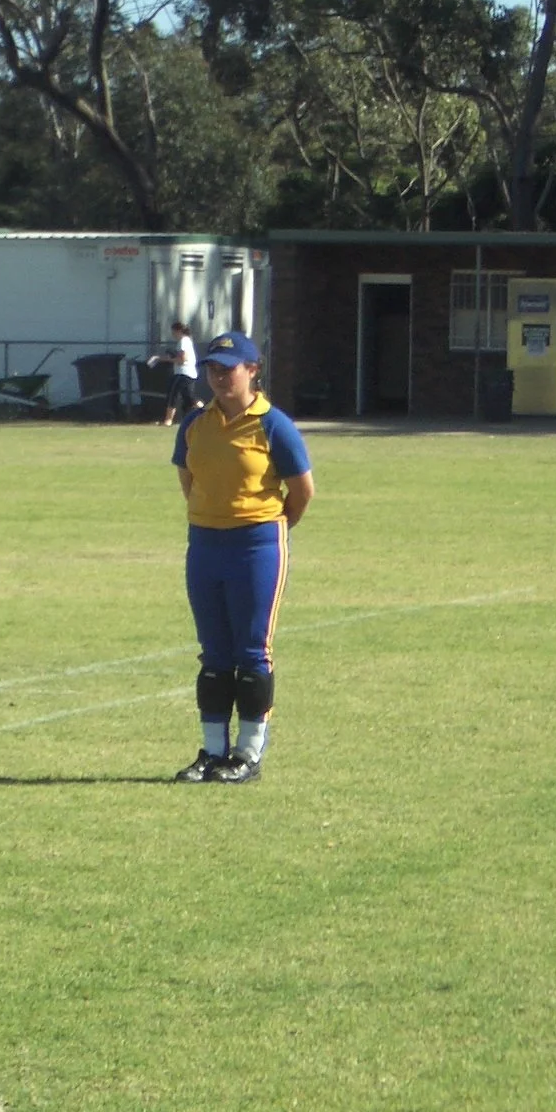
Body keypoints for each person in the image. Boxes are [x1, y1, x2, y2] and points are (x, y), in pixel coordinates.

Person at [170, 330, 315, 785]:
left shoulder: (274, 425)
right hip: (206, 543)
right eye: (212, 369)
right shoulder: (195, 423)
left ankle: (247, 755)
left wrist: (269, 526)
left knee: (252, 651)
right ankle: (214, 752)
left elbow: (303, 490)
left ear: (252, 371)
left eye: (228, 369)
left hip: (257, 545)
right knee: (214, 653)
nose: (218, 377)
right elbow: (187, 476)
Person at [147, 321, 200, 426]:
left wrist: (168, 359)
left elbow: (182, 359)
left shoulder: (183, 341)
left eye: (174, 332)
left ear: (179, 331)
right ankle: (206, 412)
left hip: (182, 373)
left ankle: (168, 420)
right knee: (189, 399)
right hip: (190, 374)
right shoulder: (187, 340)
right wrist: (159, 358)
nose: (173, 334)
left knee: (172, 395)